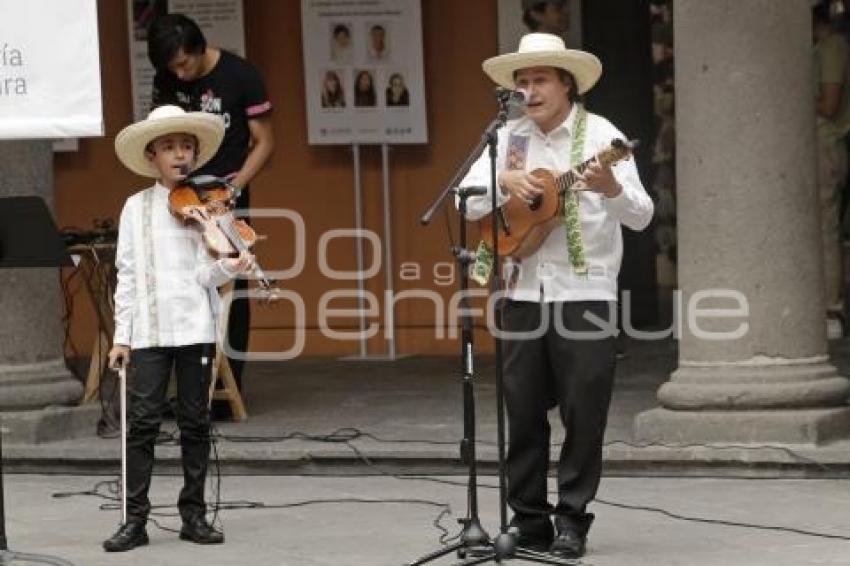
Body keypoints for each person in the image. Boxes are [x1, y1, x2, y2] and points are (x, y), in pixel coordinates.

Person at [458, 33, 653, 558]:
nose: (529, 89)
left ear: (566, 84)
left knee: (583, 411)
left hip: (584, 293)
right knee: (521, 412)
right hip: (521, 291)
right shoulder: (507, 139)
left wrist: (610, 187)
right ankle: (528, 520)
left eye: (539, 78)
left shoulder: (602, 135)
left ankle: (572, 520)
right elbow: (464, 200)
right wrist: (504, 181)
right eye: (521, 81)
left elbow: (642, 213)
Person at [103, 105, 255, 552]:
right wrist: (122, 337)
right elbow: (127, 275)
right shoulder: (136, 207)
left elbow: (206, 278)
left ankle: (194, 515)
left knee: (195, 422)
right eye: (169, 147)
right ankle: (135, 520)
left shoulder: (210, 205)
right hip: (149, 331)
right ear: (152, 155)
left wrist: (229, 265)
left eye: (186, 146)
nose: (180, 154)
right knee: (143, 424)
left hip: (194, 328)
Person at [147, 13, 274, 409]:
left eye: (184, 64)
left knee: (228, 285)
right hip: (180, 196)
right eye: (171, 68)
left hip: (226, 191)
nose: (179, 75)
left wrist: (234, 188)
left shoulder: (242, 75)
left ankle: (226, 387)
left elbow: (265, 142)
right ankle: (186, 388)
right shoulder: (167, 79)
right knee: (180, 281)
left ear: (200, 48)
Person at [813, 3, 850, 336]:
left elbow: (829, 103)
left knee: (825, 227)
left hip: (825, 143)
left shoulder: (832, 48)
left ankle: (831, 308)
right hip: (816, 144)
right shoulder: (823, 48)